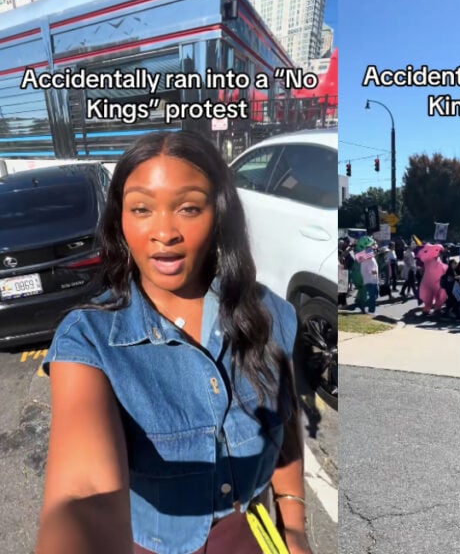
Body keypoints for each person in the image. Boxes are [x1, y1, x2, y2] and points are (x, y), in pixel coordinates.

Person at [37, 131, 312, 554]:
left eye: (188, 208)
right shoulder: (89, 340)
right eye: (141, 209)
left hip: (255, 534)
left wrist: (293, 526)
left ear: (218, 214)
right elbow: (84, 492)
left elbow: (285, 424)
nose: (164, 232)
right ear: (120, 219)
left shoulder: (269, 314)